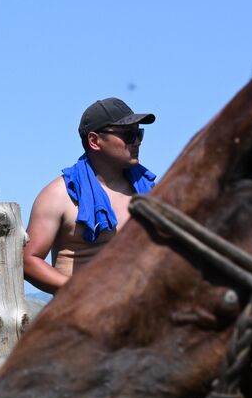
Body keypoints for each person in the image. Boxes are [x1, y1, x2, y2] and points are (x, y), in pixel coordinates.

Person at [24, 97, 156, 294]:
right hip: (83, 309)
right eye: (128, 135)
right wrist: (85, 291)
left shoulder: (150, 192)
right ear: (94, 141)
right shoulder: (60, 195)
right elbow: (28, 261)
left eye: (139, 133)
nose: (136, 142)